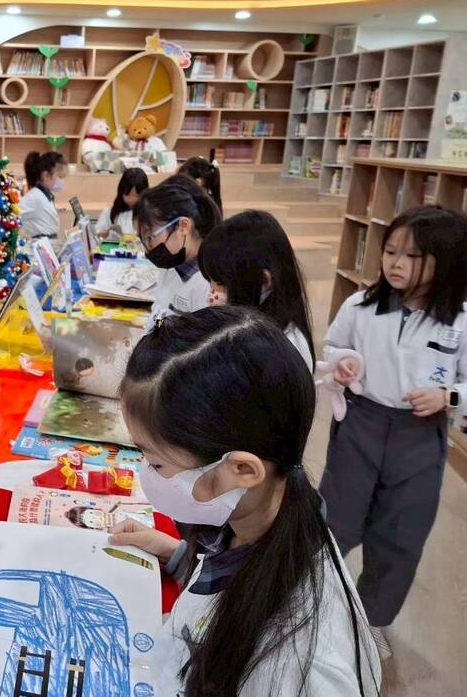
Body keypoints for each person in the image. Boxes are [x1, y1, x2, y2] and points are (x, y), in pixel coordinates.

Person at [111, 307, 380, 697]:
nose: (146, 474)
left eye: (156, 463)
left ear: (242, 470)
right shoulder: (257, 517)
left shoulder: (300, 666)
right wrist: (180, 555)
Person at [319, 205, 467, 657]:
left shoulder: (459, 320)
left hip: (419, 437)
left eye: (412, 256)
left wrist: (448, 396)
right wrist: (342, 364)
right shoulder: (361, 305)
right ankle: (312, 601)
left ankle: (373, 620)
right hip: (361, 424)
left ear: (447, 261)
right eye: (390, 251)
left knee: (401, 534)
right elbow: (333, 346)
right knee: (334, 520)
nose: (395, 263)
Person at [199, 210, 315, 372]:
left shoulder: (281, 355)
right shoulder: (247, 329)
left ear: (264, 282)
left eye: (220, 283)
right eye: (210, 283)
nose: (211, 296)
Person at [135, 174, 221, 323]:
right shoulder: (174, 267)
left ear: (183, 227)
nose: (147, 249)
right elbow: (159, 316)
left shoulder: (208, 286)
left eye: (150, 238)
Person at [19, 150, 67, 244]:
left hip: (49, 242)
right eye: (60, 176)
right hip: (41, 244)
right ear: (46, 175)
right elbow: (15, 213)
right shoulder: (35, 196)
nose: (62, 181)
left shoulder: (44, 195)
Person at [96, 167, 148, 240]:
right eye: (127, 195)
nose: (131, 199)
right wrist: (104, 234)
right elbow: (97, 234)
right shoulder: (110, 212)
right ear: (121, 192)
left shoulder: (149, 213)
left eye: (136, 196)